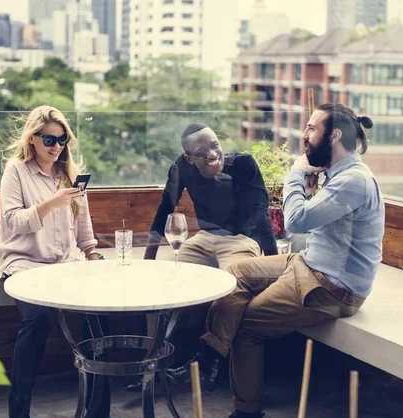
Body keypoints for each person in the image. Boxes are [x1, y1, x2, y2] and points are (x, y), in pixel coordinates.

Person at [168, 103, 385, 418]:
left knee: (247, 328)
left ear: (334, 135)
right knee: (236, 274)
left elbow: (295, 221)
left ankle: (247, 411)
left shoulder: (353, 180)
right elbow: (325, 222)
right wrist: (310, 190)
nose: (305, 135)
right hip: (309, 263)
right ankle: (210, 355)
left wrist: (296, 174)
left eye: (312, 128)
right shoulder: (338, 173)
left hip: (331, 286)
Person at [124, 122, 278, 392]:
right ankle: (153, 369)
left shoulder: (243, 165)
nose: (211, 154)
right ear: (189, 157)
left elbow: (260, 214)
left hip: (240, 240)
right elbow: (165, 208)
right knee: (157, 285)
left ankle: (209, 362)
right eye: (202, 150)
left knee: (232, 288)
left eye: (214, 145)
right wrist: (148, 262)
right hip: (204, 239)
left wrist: (274, 264)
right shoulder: (181, 167)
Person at [0, 105, 110, 418]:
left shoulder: (69, 173)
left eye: (62, 141)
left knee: (98, 320)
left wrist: (91, 253)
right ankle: (19, 411)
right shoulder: (16, 171)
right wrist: (51, 203)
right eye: (49, 140)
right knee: (37, 322)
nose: (56, 147)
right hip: (24, 263)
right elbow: (11, 222)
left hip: (66, 263)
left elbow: (83, 226)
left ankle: (98, 412)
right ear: (32, 138)